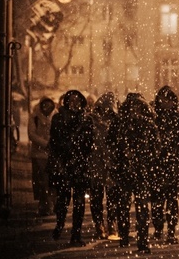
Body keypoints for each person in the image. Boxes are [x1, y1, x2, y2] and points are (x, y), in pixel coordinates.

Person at [109, 93, 157, 253]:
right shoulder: (123, 123)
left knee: (133, 206)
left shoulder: (123, 123)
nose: (134, 110)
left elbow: (155, 147)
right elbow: (156, 148)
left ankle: (136, 239)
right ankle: (131, 237)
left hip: (134, 171)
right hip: (133, 170)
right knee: (131, 205)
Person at [49, 90, 94, 246]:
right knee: (63, 199)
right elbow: (54, 141)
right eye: (71, 100)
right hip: (64, 165)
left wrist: (81, 152)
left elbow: (90, 143)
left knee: (79, 202)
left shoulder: (86, 120)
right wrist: (64, 154)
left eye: (77, 100)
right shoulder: (58, 118)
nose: (74, 103)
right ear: (66, 101)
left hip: (80, 166)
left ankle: (76, 233)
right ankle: (60, 224)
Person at [151, 86, 179, 245]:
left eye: (168, 100)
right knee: (158, 200)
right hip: (159, 164)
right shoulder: (154, 117)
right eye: (163, 100)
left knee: (171, 200)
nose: (166, 103)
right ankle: (159, 228)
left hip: (173, 164)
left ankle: (171, 231)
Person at [87, 92, 119, 239]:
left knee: (111, 197)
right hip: (96, 164)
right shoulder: (91, 121)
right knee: (97, 197)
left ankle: (111, 224)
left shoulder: (116, 122)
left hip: (110, 164)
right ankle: (99, 224)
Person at [28, 96, 56, 216]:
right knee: (42, 181)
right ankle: (45, 204)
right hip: (38, 154)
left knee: (52, 181)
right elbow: (31, 134)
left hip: (53, 154)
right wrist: (45, 144)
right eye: (45, 105)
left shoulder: (56, 117)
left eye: (49, 105)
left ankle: (50, 204)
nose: (47, 108)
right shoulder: (34, 117)